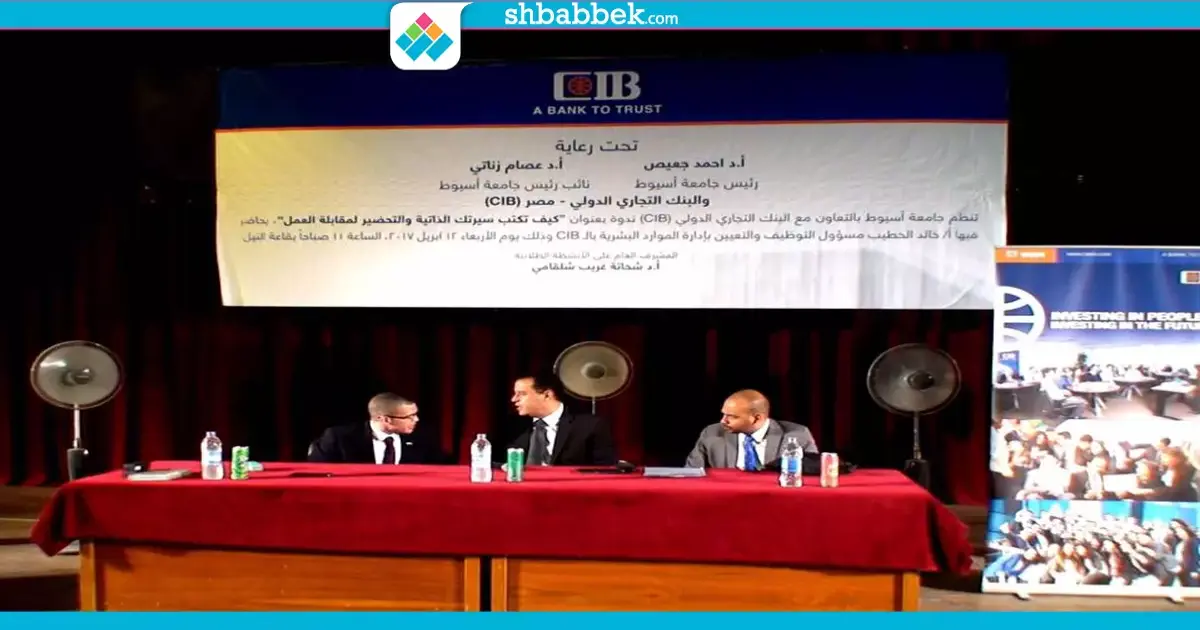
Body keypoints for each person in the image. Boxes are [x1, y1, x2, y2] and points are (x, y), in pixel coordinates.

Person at [684, 389, 818, 470]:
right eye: (724, 414)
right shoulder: (712, 433)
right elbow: (691, 474)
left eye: (732, 416)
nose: (723, 421)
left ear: (756, 418)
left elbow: (812, 475)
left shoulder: (797, 435)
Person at [508, 371, 616, 466]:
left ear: (547, 395)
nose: (514, 399)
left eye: (521, 394)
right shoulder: (514, 426)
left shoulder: (590, 425)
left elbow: (606, 470)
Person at [308, 392, 443, 464]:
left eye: (416, 414)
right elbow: (317, 470)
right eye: (410, 417)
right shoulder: (339, 437)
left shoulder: (422, 438)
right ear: (385, 419)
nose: (416, 420)